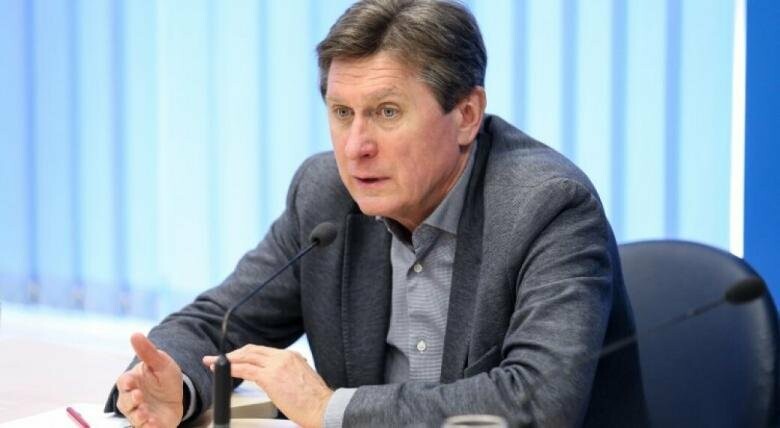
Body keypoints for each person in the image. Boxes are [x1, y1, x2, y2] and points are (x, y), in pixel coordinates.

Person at [106, 0, 648, 426]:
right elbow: (214, 324)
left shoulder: (547, 207)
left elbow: (537, 402)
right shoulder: (325, 196)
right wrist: (174, 386)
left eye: (387, 112)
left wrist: (329, 409)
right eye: (343, 113)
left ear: (466, 114)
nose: (356, 147)